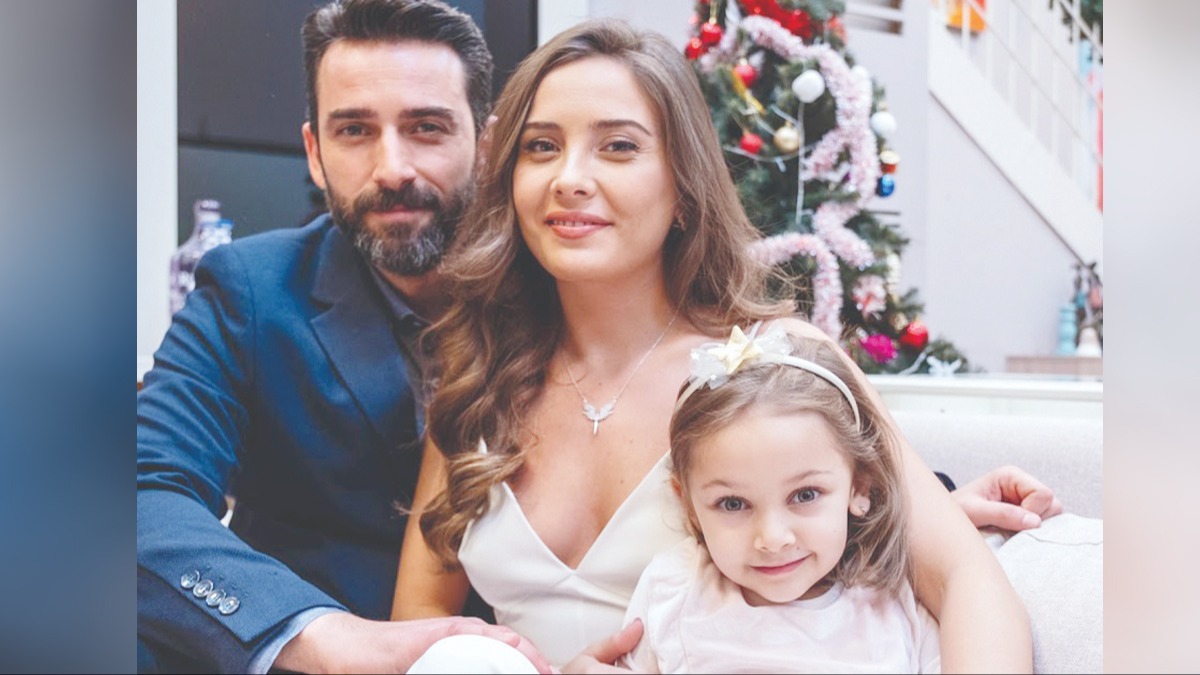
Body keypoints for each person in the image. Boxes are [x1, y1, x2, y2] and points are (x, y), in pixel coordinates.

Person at [393, 17, 1059, 674]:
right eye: (541, 147)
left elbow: (966, 580)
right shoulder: (478, 379)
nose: (568, 177)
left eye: (618, 147)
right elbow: (418, 631)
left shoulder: (776, 359)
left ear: (684, 188)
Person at [136, 1, 550, 673]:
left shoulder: (563, 295)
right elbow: (139, 493)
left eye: (426, 127)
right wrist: (321, 635)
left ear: (486, 142)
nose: (392, 168)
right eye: (355, 130)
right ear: (315, 152)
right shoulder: (250, 289)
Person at [620, 322, 940, 673]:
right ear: (689, 506)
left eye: (805, 495)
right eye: (732, 503)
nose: (773, 539)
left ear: (860, 486)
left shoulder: (897, 604)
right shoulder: (671, 590)